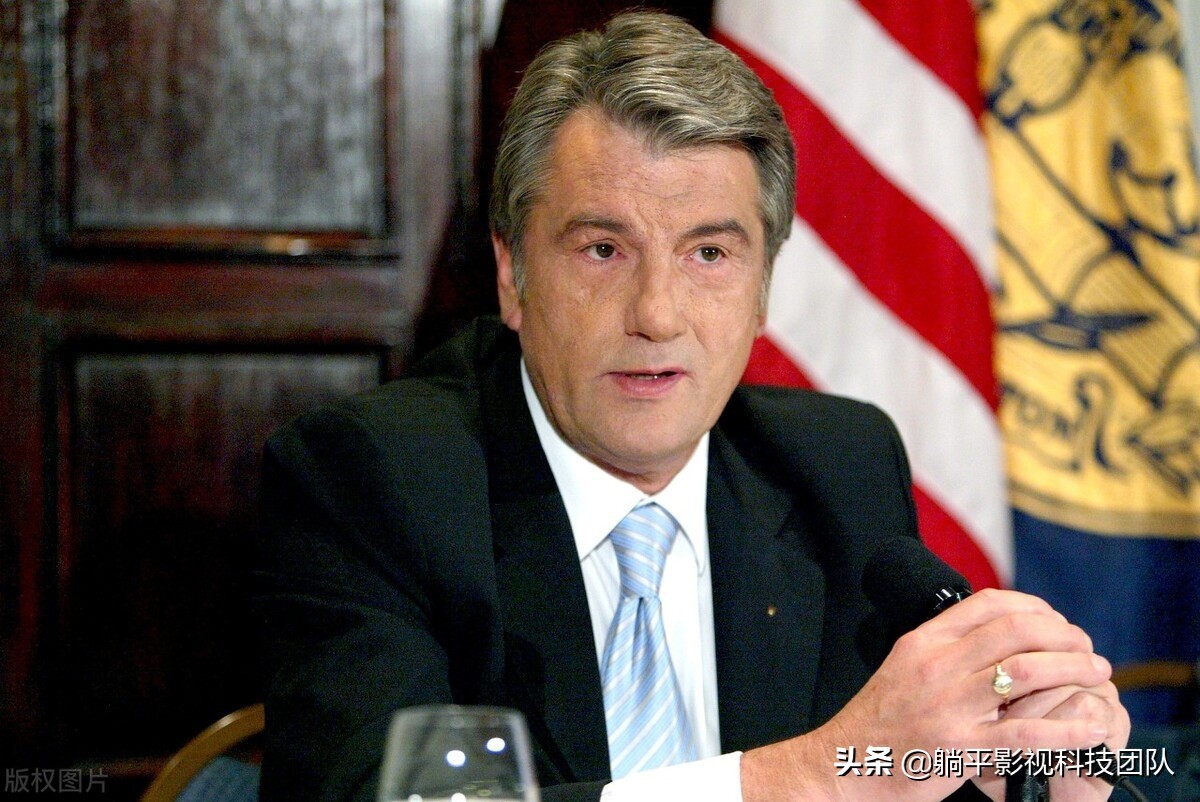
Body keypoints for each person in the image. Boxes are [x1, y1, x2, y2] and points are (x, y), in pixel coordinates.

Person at [254, 11, 1129, 802]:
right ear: (513, 275)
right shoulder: (372, 480)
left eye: (709, 254)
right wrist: (811, 778)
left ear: (762, 290)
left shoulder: (841, 468)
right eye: (603, 249)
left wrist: (1042, 781)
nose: (657, 315)